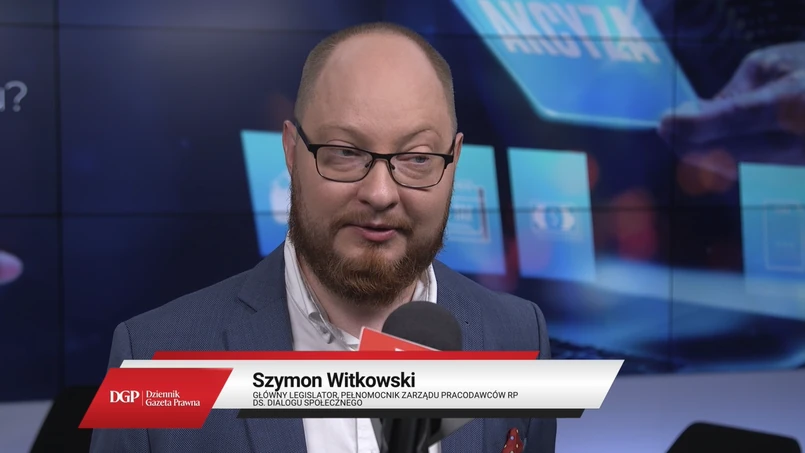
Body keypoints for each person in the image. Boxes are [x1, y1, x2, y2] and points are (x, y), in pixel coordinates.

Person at [90, 22, 555, 453]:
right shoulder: (152, 361)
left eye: (417, 158)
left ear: (454, 160)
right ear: (292, 152)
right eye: (345, 152)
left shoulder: (519, 335)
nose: (380, 194)